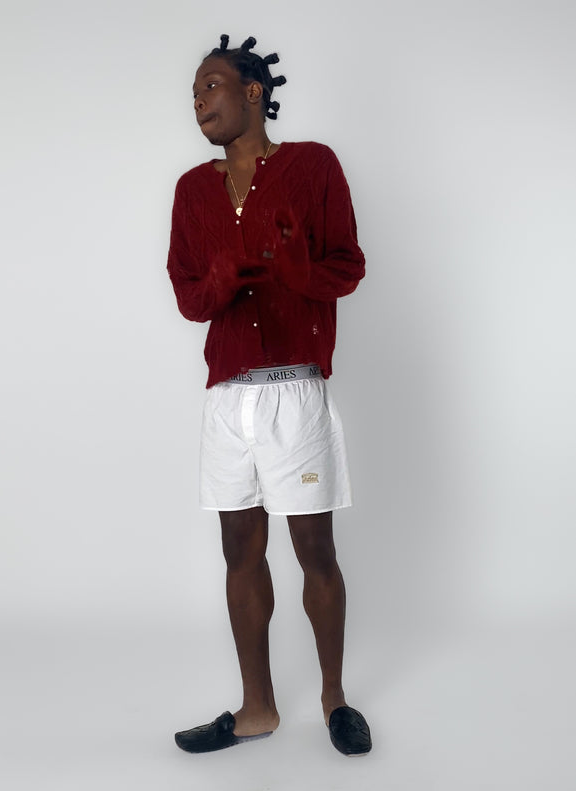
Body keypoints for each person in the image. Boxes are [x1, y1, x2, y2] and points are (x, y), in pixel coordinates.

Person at [167, 34, 371, 756]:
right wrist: (221, 281)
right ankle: (257, 708)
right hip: (228, 398)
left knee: (315, 548)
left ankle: (333, 697)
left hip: (294, 390)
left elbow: (348, 266)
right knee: (239, 550)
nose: (198, 101)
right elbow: (188, 295)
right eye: (193, 93)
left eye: (211, 86)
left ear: (252, 92)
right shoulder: (192, 191)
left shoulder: (313, 166)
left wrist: (296, 269)